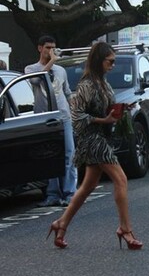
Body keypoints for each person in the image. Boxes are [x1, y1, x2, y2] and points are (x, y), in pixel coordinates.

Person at [48, 42, 142, 250]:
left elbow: (105, 109)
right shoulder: (87, 85)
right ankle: (125, 229)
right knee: (121, 179)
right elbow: (77, 115)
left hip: (102, 137)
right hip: (92, 139)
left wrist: (121, 109)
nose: (113, 65)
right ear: (99, 60)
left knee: (88, 186)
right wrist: (103, 121)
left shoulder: (103, 82)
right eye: (110, 61)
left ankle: (61, 223)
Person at [25, 35, 77, 207]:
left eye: (53, 47)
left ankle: (70, 193)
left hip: (63, 117)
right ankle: (53, 193)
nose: (51, 51)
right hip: (44, 119)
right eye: (47, 47)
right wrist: (51, 62)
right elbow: (35, 80)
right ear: (40, 48)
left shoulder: (61, 70)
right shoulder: (31, 68)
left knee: (69, 154)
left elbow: (67, 92)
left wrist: (73, 112)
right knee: (49, 157)